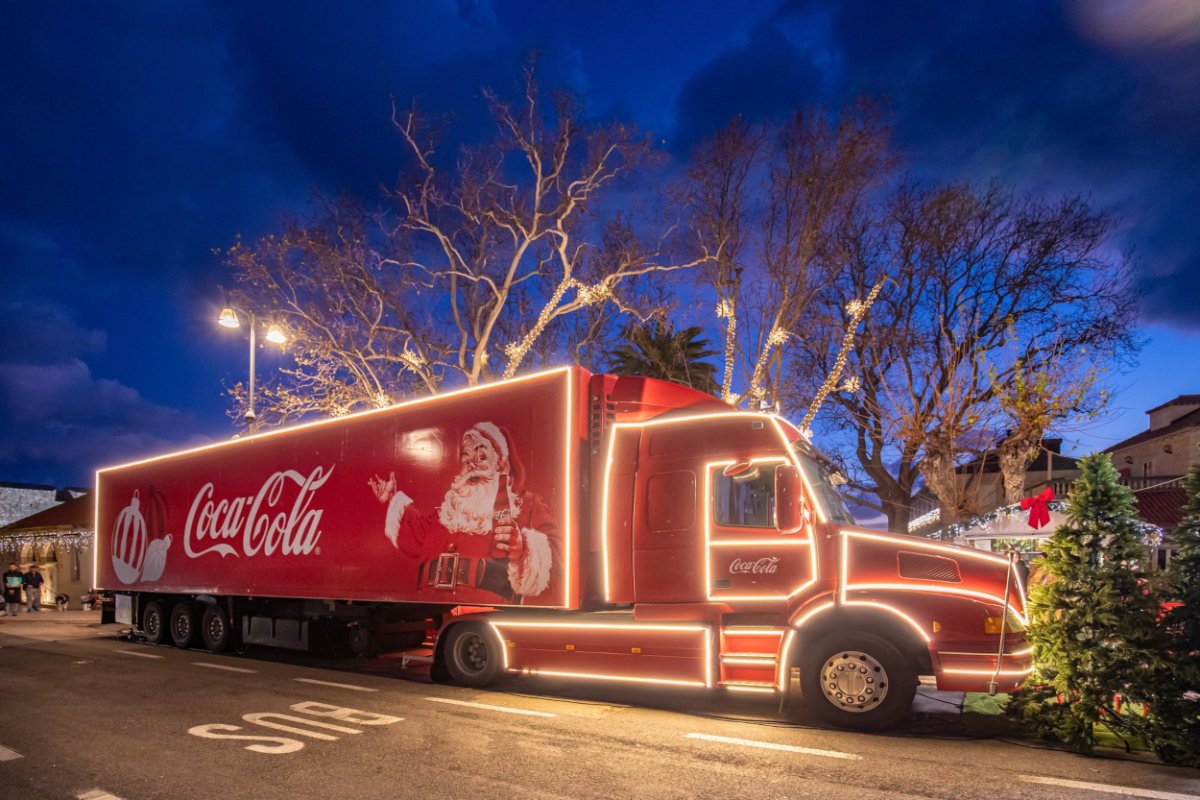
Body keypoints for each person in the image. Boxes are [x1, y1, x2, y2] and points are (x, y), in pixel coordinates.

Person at [369, 421, 561, 605]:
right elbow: (418, 534)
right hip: (439, 605)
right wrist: (392, 499)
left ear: (500, 464)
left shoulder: (526, 504)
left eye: (481, 458)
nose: (472, 465)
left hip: (489, 609)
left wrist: (523, 548)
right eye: (466, 459)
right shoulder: (449, 510)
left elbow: (559, 556)